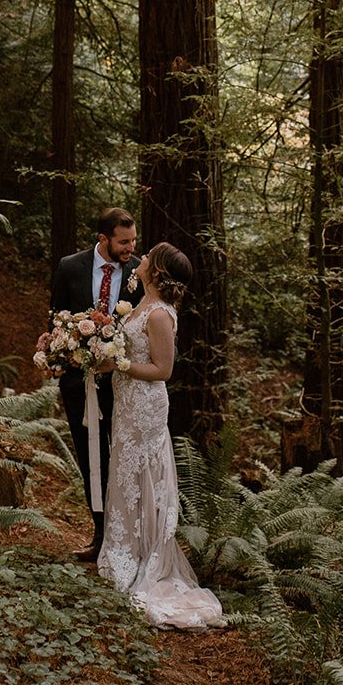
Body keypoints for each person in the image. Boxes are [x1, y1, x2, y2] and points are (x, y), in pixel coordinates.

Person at [96, 242, 223, 630]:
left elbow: (163, 370)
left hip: (146, 407)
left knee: (143, 476)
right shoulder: (140, 304)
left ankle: (144, 559)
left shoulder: (160, 316)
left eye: (149, 254)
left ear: (158, 270)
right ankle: (122, 552)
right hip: (127, 403)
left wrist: (119, 363)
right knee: (125, 474)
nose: (142, 257)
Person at [46, 207, 140, 563]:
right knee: (91, 458)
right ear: (103, 239)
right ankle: (100, 535)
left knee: (124, 455)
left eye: (133, 240)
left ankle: (127, 534)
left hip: (124, 382)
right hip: (78, 383)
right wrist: (63, 353)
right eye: (124, 241)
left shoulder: (138, 272)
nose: (131, 247)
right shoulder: (70, 267)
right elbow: (55, 318)